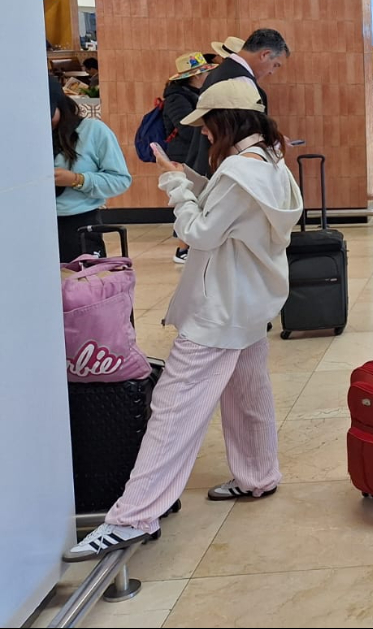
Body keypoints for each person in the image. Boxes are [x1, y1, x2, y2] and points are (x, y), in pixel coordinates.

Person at [64, 79, 304, 560]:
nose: (205, 135)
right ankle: (258, 476)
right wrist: (190, 178)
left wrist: (175, 185)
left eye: (208, 125)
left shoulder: (238, 170)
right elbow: (228, 208)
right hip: (250, 301)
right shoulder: (270, 162)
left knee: (174, 407)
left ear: (225, 122)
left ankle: (132, 517)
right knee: (248, 392)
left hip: (219, 308)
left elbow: (198, 232)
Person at [186, 29, 290, 175]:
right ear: (265, 55)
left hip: (214, 163)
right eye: (275, 65)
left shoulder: (223, 72)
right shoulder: (240, 81)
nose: (272, 72)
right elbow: (244, 135)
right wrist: (274, 140)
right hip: (228, 169)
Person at [51, 77, 132, 261]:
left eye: (47, 114)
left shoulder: (93, 131)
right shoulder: (24, 135)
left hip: (79, 225)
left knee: (81, 286)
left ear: (60, 105)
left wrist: (77, 179)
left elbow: (120, 180)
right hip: (33, 226)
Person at [162, 52, 219, 264]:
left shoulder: (193, 94)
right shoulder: (176, 98)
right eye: (203, 73)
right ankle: (182, 249)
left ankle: (189, 246)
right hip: (184, 155)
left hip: (194, 153)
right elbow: (185, 128)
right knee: (189, 197)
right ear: (195, 77)